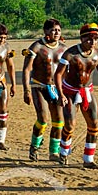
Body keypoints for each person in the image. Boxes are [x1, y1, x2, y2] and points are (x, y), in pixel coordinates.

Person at [55, 23, 98, 169]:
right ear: (82, 39)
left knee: (94, 124)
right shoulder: (71, 54)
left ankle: (88, 159)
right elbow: (58, 74)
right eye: (89, 39)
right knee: (70, 125)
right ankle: (63, 153)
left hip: (87, 91)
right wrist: (61, 94)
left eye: (95, 39)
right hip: (70, 91)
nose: (92, 42)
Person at [22, 19, 67, 161]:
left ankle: (53, 152)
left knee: (59, 121)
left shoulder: (64, 49)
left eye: (58, 30)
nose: (56, 33)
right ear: (46, 31)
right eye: (53, 30)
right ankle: (34, 147)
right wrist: (26, 90)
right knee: (43, 119)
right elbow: (27, 69)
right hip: (38, 86)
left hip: (56, 88)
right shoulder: (36, 47)